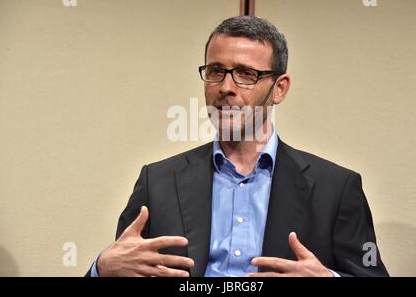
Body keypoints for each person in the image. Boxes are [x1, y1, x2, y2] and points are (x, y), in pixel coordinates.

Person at [86, 15, 389, 277]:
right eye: (216, 71)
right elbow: (127, 263)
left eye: (246, 74)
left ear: (279, 88)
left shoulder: (334, 189)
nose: (226, 87)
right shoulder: (158, 182)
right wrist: (102, 269)